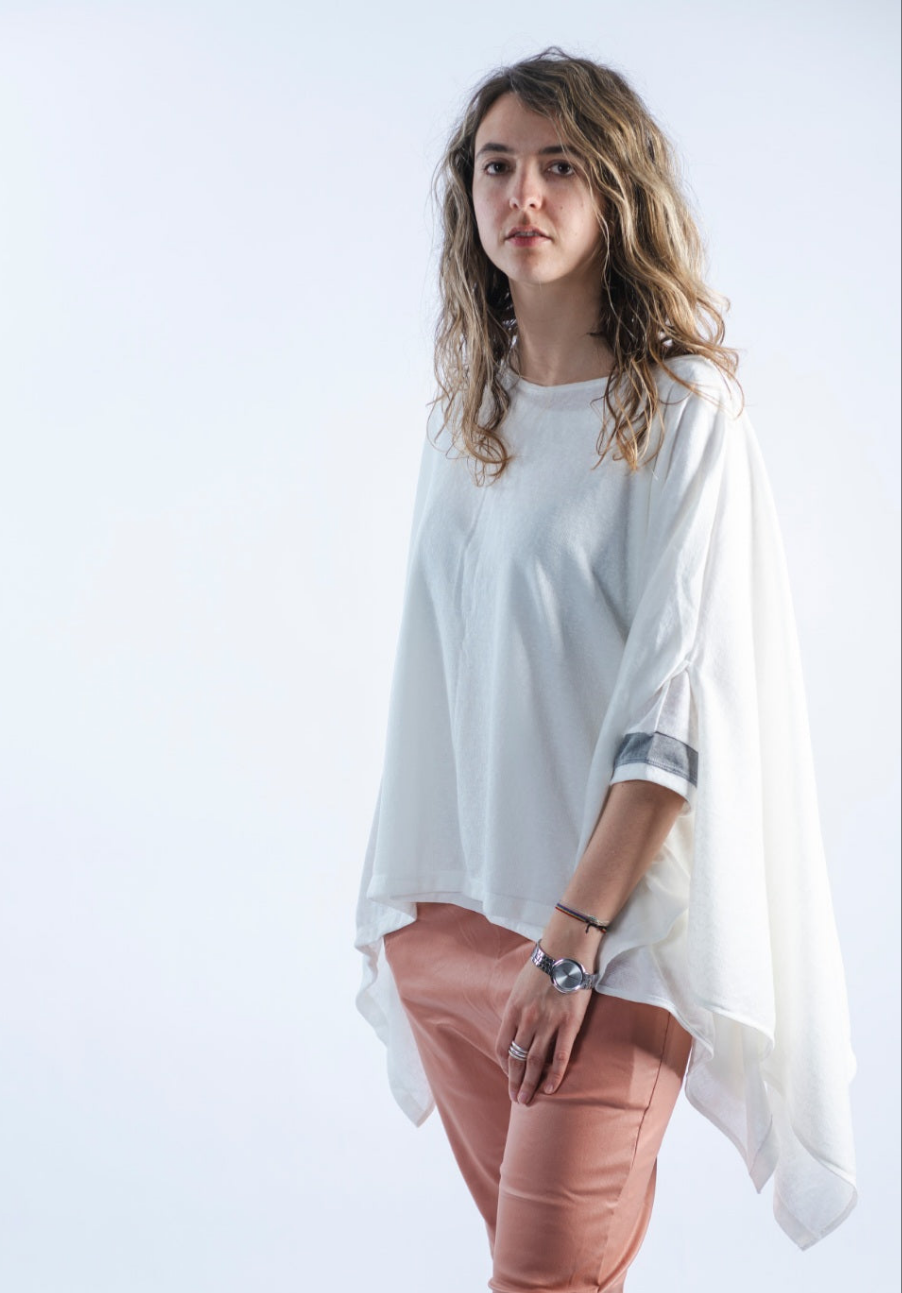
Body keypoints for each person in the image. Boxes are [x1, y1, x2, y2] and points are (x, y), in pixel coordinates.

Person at [354, 48, 857, 1293]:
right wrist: (418, 929)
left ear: (616, 191)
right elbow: (442, 674)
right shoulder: (466, 412)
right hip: (456, 924)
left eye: (559, 167)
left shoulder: (683, 411)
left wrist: (570, 944)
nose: (521, 194)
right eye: (496, 167)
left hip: (601, 941)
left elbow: (672, 710)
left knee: (541, 1281)